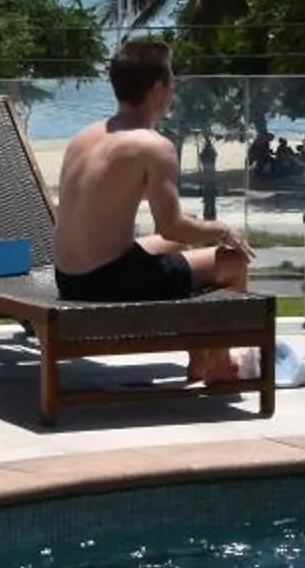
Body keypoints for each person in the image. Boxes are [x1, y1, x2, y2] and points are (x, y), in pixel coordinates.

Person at [52, 38, 254, 384]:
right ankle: (220, 364)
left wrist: (196, 233)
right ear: (159, 87)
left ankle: (198, 359)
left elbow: (172, 237)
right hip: (106, 283)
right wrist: (222, 229)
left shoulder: (84, 136)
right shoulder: (154, 146)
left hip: (68, 276)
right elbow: (172, 224)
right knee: (233, 262)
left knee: (179, 249)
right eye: (171, 79)